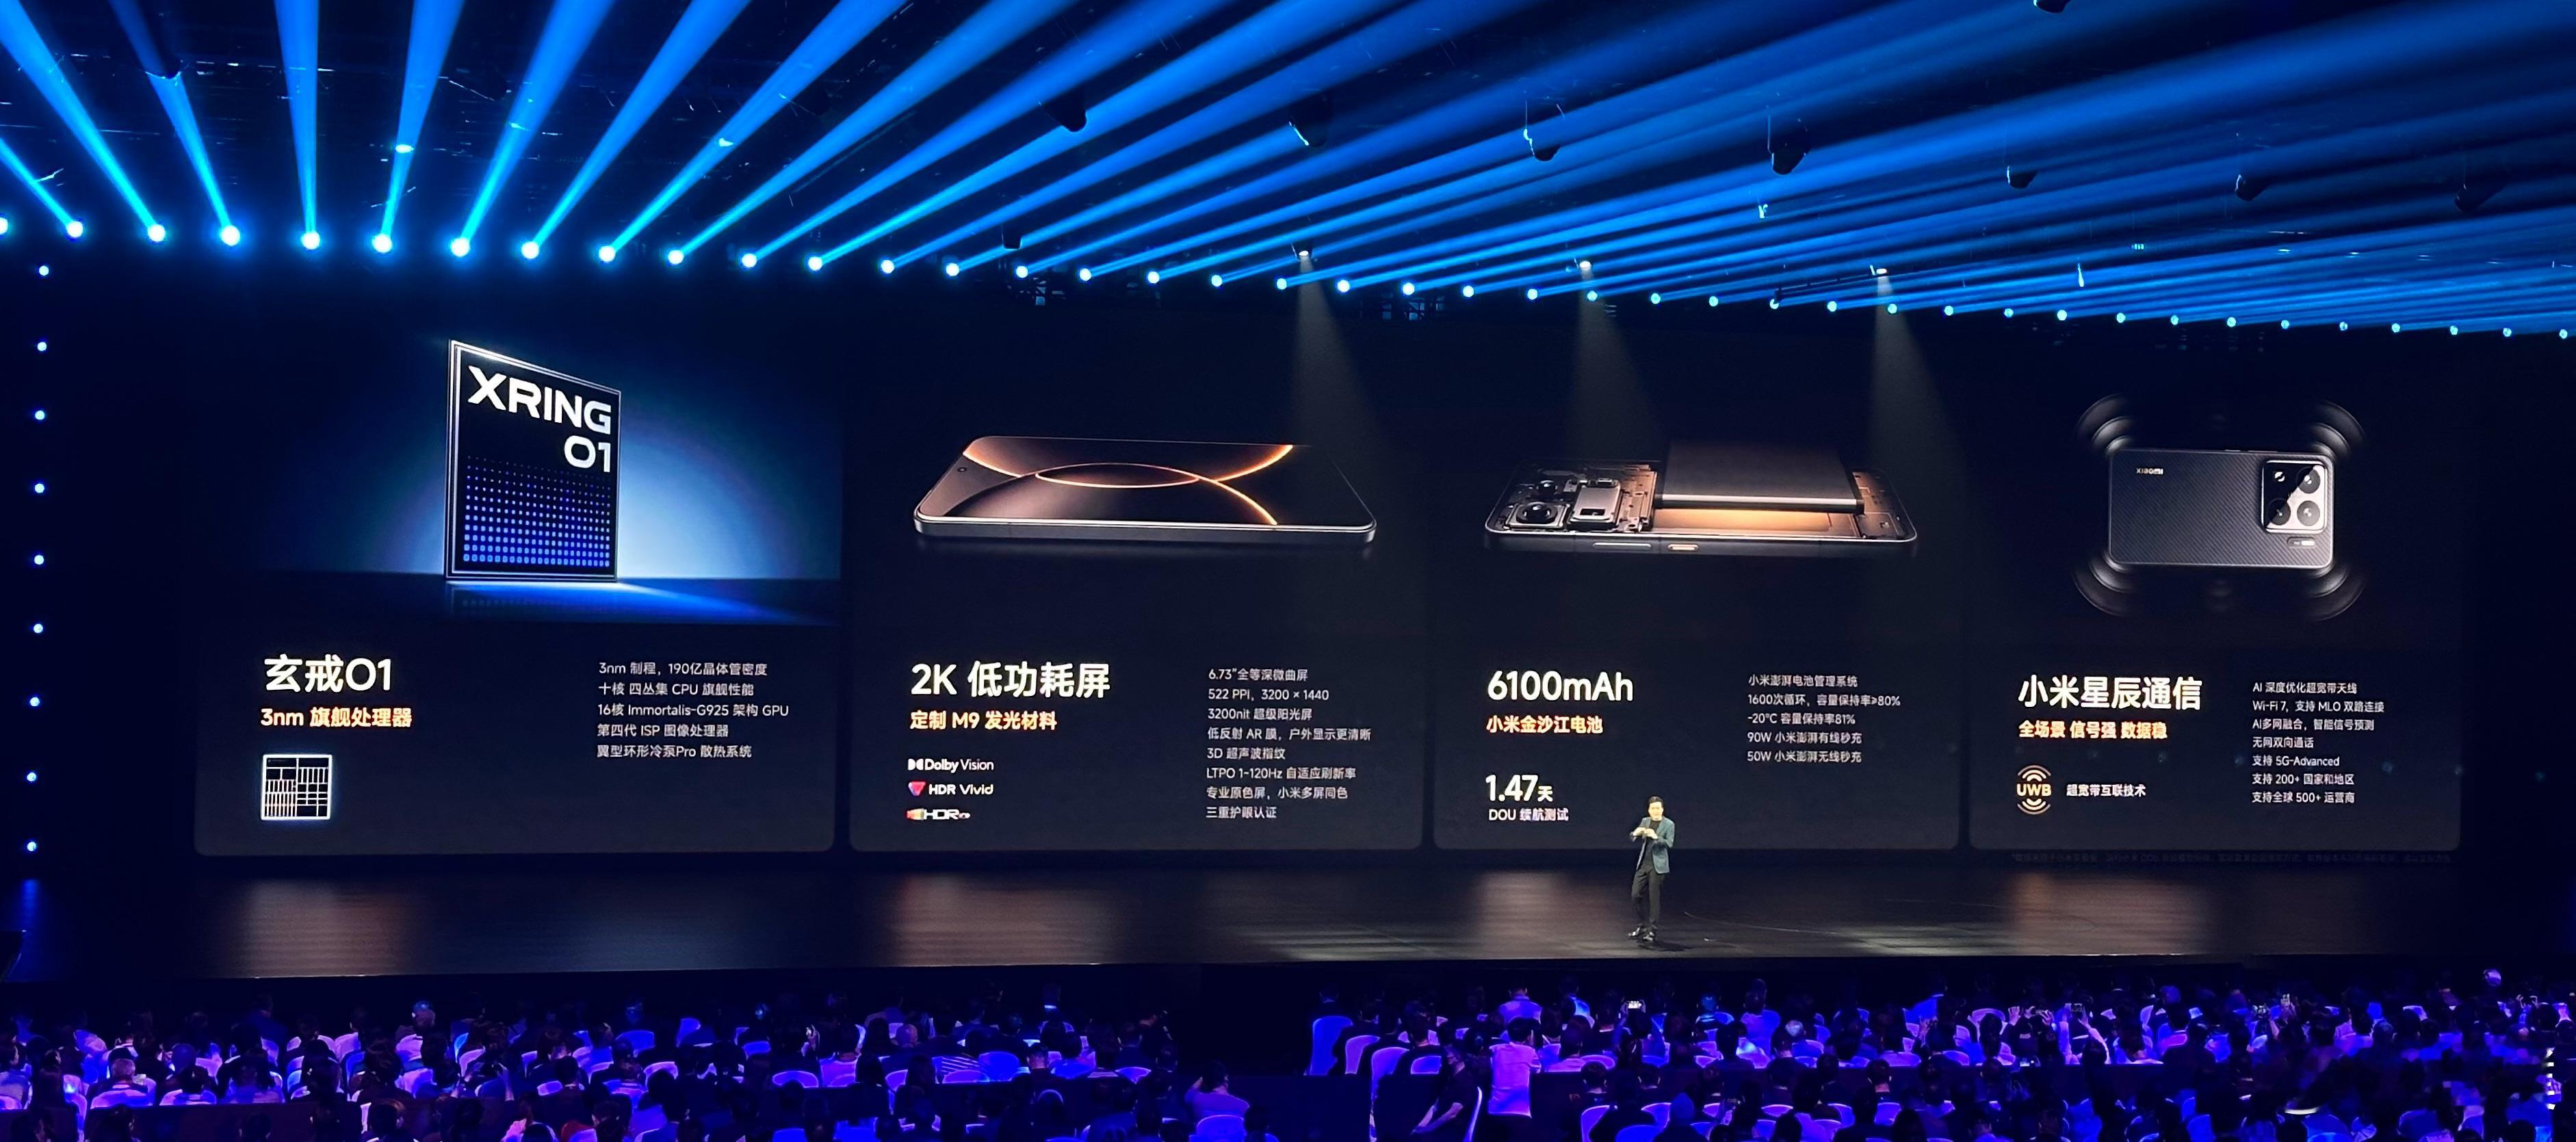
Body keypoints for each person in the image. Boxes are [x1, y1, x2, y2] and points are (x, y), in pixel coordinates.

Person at [1627, 795, 1676, 942]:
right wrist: (1635, 834)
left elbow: (1669, 843)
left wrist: (1655, 837)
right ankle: (1643, 925)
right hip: (1644, 864)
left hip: (1657, 866)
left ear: (1662, 809)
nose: (1656, 811)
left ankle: (1653, 930)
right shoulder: (1645, 821)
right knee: (1635, 895)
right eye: (1653, 808)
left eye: (1658, 808)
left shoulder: (1669, 824)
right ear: (1649, 810)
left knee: (1654, 899)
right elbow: (1633, 836)